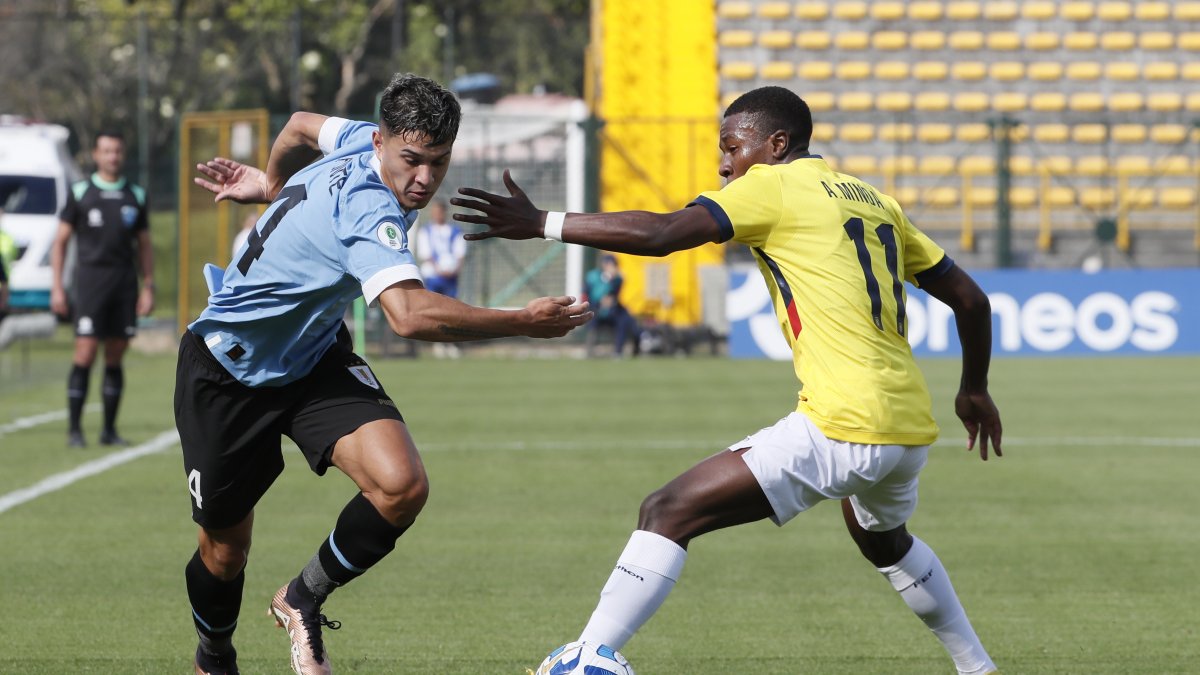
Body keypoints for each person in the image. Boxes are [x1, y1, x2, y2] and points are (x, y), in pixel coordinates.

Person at [453, 86, 1003, 674]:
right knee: (882, 539)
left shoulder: (772, 186)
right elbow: (970, 299)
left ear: (776, 144)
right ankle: (978, 668)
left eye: (732, 147)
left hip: (845, 422)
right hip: (907, 429)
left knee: (667, 510)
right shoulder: (875, 200)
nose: (724, 164)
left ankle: (587, 659)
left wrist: (543, 221)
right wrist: (973, 389)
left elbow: (663, 233)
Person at [180, 73, 590, 675]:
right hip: (226, 367)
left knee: (401, 485)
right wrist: (522, 321)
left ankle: (302, 598)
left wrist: (273, 187)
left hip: (313, 354)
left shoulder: (353, 140)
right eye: (412, 160)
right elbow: (408, 316)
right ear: (381, 143)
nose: (424, 179)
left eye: (439, 163)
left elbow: (297, 123)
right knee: (224, 552)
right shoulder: (371, 206)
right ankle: (214, 656)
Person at [50, 130, 154, 448]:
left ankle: (109, 431)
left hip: (123, 285)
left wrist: (147, 286)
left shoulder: (135, 194)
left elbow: (145, 245)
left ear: (123, 154)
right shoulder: (81, 192)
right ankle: (74, 430)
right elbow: (61, 243)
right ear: (96, 155)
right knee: (84, 352)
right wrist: (57, 287)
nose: (112, 156)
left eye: (117, 151)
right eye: (107, 151)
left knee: (115, 354)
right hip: (90, 284)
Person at [413, 199, 467, 357]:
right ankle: (437, 343)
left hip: (450, 277)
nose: (437, 214)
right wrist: (438, 269)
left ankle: (450, 342)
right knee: (434, 310)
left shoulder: (455, 231)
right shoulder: (426, 231)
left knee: (451, 311)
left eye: (440, 211)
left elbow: (460, 254)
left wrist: (454, 269)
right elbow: (425, 254)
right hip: (433, 276)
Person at [583, 253, 637, 357]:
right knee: (591, 319)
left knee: (624, 320)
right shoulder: (593, 276)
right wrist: (602, 297)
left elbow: (615, 294)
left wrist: (612, 280)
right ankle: (589, 351)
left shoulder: (618, 279)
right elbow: (593, 294)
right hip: (596, 309)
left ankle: (618, 351)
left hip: (612, 311)